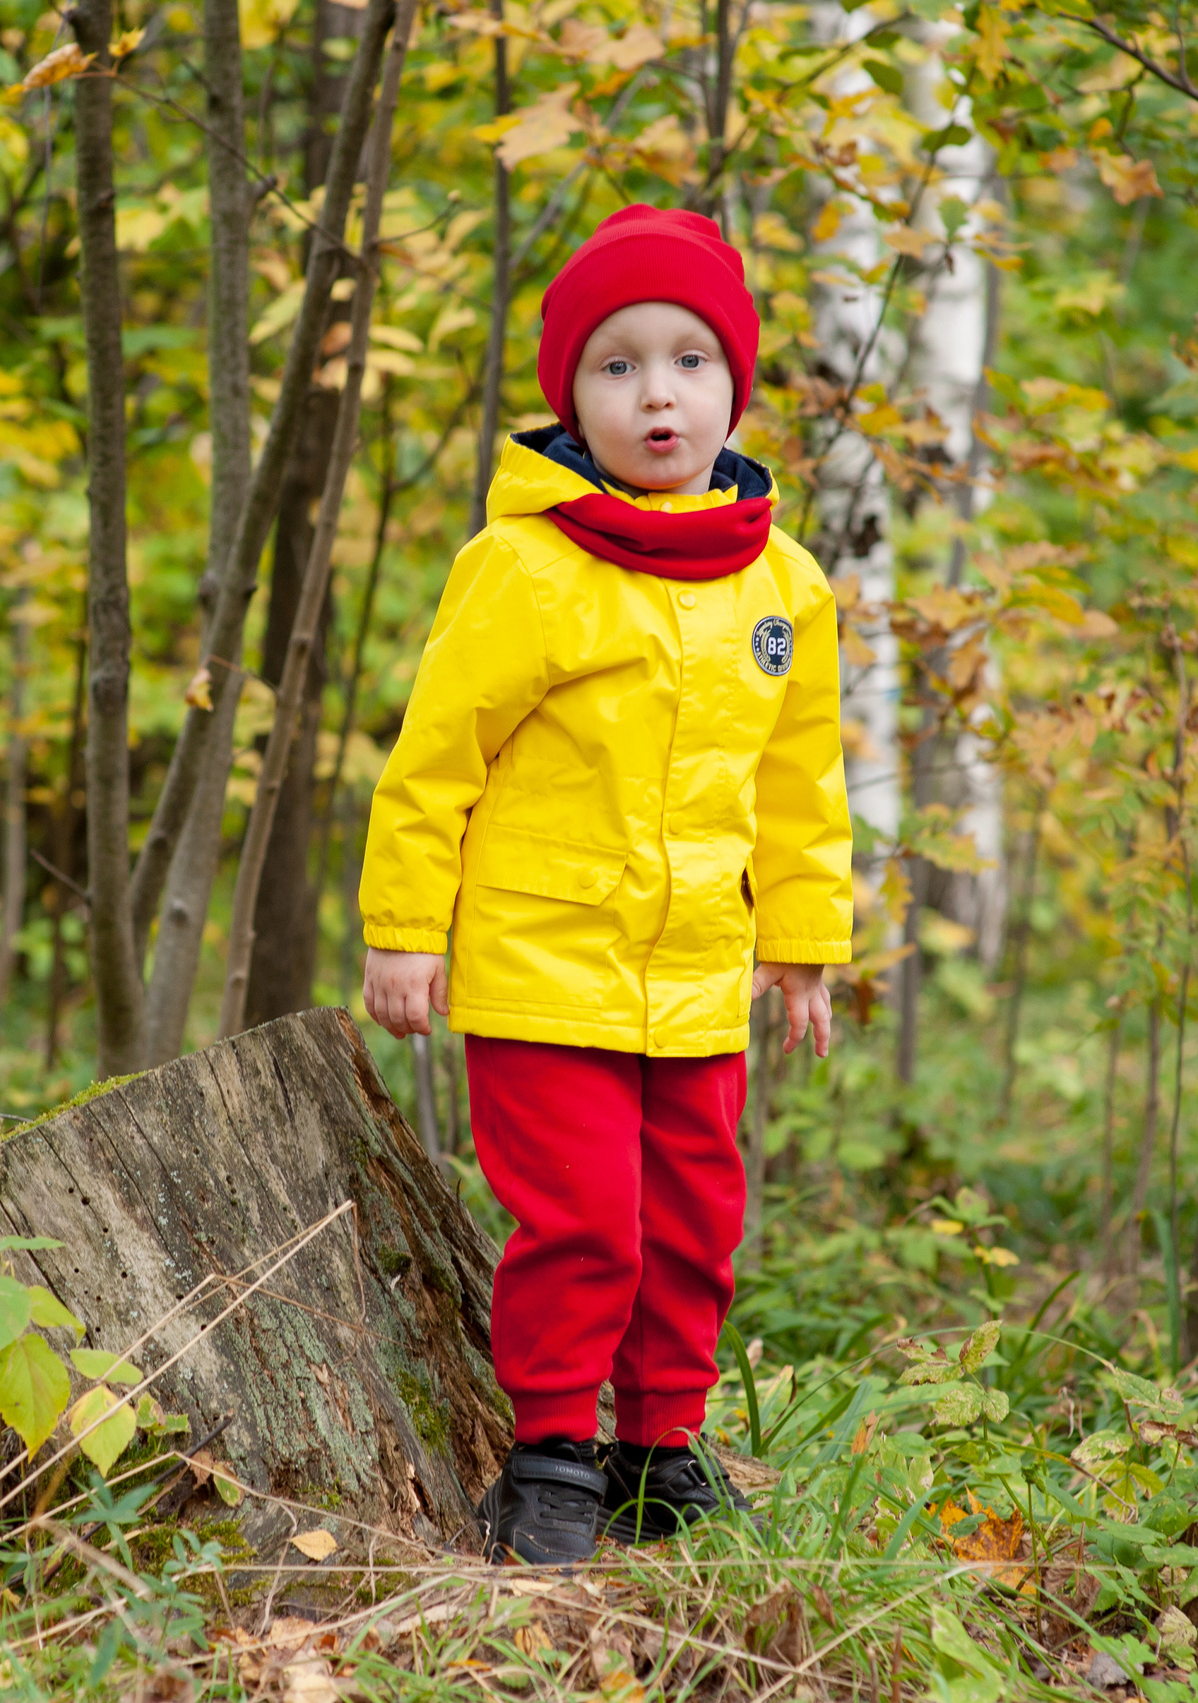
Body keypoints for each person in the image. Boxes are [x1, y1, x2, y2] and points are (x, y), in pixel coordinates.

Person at [357, 205, 853, 1565]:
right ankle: (556, 1453)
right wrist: (407, 931)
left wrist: (801, 944)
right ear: (571, 394)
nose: (656, 393)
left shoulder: (785, 582)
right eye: (619, 364)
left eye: (689, 360)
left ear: (732, 388)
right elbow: (434, 758)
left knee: (693, 1222)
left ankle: (660, 1449)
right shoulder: (525, 565)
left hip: (695, 973)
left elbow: (799, 787)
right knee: (582, 1221)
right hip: (541, 968)